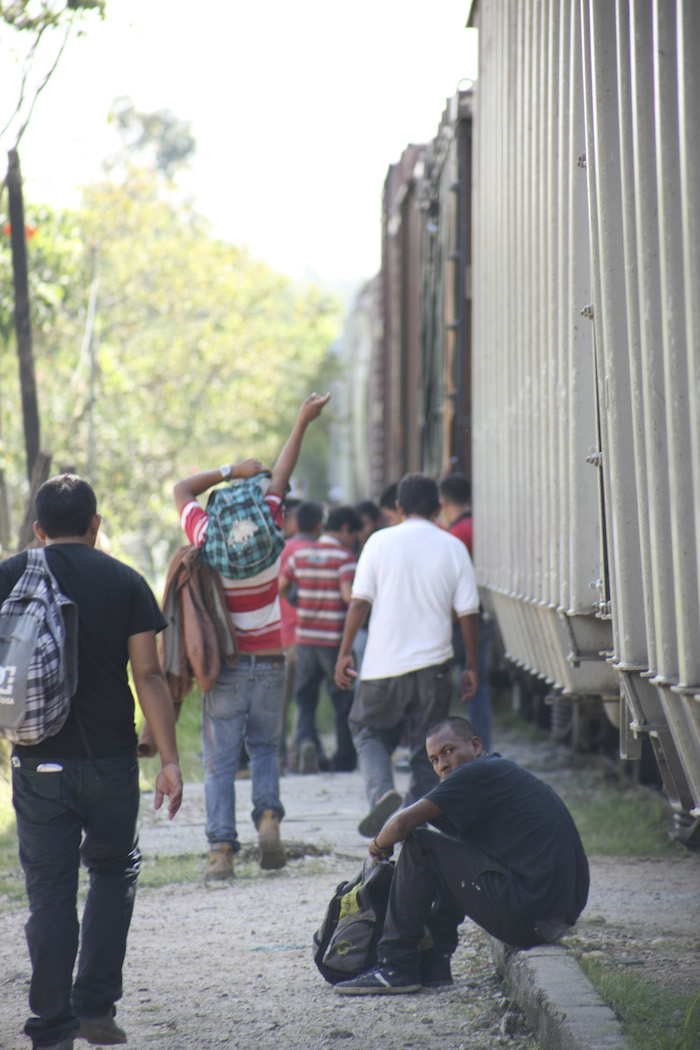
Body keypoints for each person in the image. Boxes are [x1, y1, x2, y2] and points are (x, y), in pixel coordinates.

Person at [1, 473, 183, 1050]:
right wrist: (169, 760)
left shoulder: (11, 574)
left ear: (37, 529)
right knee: (112, 869)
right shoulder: (125, 580)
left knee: (49, 894)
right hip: (109, 760)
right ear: (96, 524)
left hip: (36, 763)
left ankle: (51, 1026)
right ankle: (95, 1009)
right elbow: (148, 674)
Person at [173, 392, 329, 879]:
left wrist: (229, 471)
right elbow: (281, 473)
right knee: (265, 748)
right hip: (271, 660)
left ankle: (221, 851)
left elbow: (181, 489)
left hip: (227, 665)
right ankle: (267, 818)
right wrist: (301, 420)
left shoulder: (207, 535)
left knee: (220, 761)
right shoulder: (271, 522)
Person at [335, 716, 589, 995]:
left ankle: (396, 965)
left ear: (476, 746)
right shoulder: (494, 772)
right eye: (433, 760)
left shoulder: (475, 773)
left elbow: (400, 825)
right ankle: (436, 964)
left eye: (448, 750)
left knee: (421, 845)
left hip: (532, 917)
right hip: (548, 918)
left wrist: (377, 848)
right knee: (451, 850)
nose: (442, 764)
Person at [335, 473, 480, 838]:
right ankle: (420, 834)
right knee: (426, 752)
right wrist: (472, 667)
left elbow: (358, 604)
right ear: (438, 508)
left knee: (368, 731)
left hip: (382, 666)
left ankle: (382, 792)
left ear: (397, 508)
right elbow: (468, 614)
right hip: (434, 668)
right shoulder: (452, 547)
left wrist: (344, 653)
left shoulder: (379, 542)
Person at [280, 505, 362, 773]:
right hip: (333, 641)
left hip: (304, 639)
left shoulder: (301, 554)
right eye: (354, 535)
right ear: (346, 530)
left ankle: (305, 743)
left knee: (305, 699)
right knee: (342, 699)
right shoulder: (344, 556)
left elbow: (282, 586)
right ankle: (344, 758)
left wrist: (298, 598)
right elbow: (349, 596)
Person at [439, 471, 495, 753]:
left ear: (444, 502)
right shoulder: (480, 528)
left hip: (458, 620)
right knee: (478, 687)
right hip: (482, 616)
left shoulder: (454, 535)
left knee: (445, 686)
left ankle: (445, 747)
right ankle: (480, 747)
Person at [278, 500, 324, 771]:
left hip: (280, 636)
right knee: (306, 699)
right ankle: (299, 753)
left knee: (279, 703)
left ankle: (278, 757)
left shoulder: (281, 550)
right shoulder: (319, 551)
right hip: (309, 636)